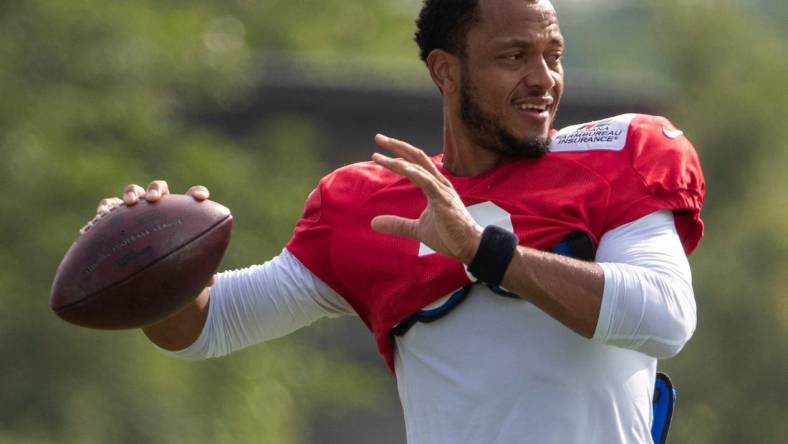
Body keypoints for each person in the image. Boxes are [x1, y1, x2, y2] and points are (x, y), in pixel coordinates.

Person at [94, 0, 705, 442]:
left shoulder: (615, 158)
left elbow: (665, 317)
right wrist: (146, 260)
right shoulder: (370, 205)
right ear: (445, 71)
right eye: (514, 56)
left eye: (552, 55)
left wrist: (483, 250)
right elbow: (206, 327)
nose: (543, 79)